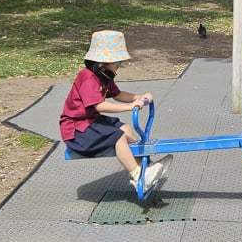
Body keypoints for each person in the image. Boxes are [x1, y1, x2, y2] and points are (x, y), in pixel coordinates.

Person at [59, 30, 172, 191]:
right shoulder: (87, 77)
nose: (120, 61)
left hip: (91, 122)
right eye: (117, 58)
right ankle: (138, 175)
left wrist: (138, 98)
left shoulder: (105, 75)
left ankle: (146, 166)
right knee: (117, 136)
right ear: (103, 60)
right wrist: (129, 106)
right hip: (77, 130)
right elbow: (99, 106)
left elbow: (117, 94)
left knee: (125, 128)